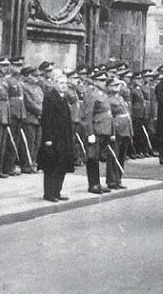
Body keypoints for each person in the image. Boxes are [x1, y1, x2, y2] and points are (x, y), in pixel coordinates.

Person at [37, 69, 75, 202]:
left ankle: (57, 192)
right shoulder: (49, 98)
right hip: (53, 138)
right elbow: (46, 121)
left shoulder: (63, 98)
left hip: (64, 138)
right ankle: (49, 194)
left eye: (65, 83)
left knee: (62, 165)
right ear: (54, 83)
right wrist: (47, 139)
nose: (64, 85)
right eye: (61, 83)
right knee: (51, 166)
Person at [82, 70, 115, 194]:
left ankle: (98, 183)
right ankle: (93, 184)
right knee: (92, 158)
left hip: (104, 130)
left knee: (99, 157)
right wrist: (90, 133)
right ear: (94, 81)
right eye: (101, 80)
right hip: (96, 130)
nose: (103, 83)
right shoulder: (91, 94)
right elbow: (87, 115)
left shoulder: (103, 94)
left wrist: (111, 131)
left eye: (104, 80)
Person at [107, 77, 132, 189]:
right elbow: (109, 117)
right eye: (115, 85)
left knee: (121, 155)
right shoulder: (109, 99)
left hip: (125, 129)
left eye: (118, 85)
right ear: (108, 87)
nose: (118, 87)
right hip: (116, 129)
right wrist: (112, 132)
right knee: (114, 156)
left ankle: (119, 179)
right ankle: (112, 180)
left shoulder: (120, 98)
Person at [4, 58, 26, 176]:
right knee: (9, 141)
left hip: (19, 113)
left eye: (20, 66)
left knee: (16, 141)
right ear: (11, 66)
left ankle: (11, 165)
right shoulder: (7, 80)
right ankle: (6, 167)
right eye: (16, 65)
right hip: (11, 113)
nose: (19, 68)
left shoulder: (19, 79)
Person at [21, 66, 43, 173]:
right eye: (35, 76)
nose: (37, 78)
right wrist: (40, 113)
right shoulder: (24, 87)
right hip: (30, 118)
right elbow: (29, 103)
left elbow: (41, 102)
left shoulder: (38, 88)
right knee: (29, 142)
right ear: (28, 76)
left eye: (38, 76)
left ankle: (33, 162)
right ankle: (26, 165)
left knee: (37, 142)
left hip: (38, 119)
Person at [0, 58, 10, 179]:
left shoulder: (4, 80)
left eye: (7, 66)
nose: (6, 68)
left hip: (5, 113)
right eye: (3, 66)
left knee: (2, 144)